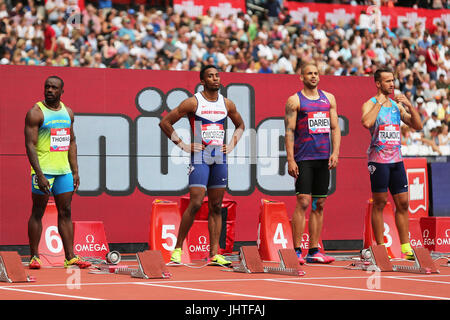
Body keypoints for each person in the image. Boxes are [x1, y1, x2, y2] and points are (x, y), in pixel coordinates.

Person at [159, 65, 245, 266]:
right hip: (200, 157)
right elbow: (165, 123)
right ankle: (178, 249)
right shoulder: (193, 102)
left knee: (216, 206)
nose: (215, 79)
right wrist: (183, 145)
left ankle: (214, 253)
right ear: (202, 81)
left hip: (219, 158)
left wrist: (231, 144)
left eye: (217, 75)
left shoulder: (227, 104)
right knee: (196, 202)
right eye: (210, 76)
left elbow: (241, 125)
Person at [24, 76, 91, 269]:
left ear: (62, 91)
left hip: (63, 172)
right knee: (38, 211)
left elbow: (71, 141)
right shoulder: (36, 113)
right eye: (47, 87)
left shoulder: (68, 112)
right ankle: (34, 256)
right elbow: (30, 145)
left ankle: (70, 257)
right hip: (43, 171)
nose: (49, 90)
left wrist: (75, 171)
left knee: (66, 211)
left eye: (54, 88)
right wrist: (39, 173)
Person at [361, 68, 423, 260]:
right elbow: (366, 122)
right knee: (379, 203)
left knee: (403, 203)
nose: (392, 84)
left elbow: (418, 126)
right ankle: (380, 248)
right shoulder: (369, 104)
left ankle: (406, 247)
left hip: (396, 160)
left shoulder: (397, 106)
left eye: (393, 80)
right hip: (378, 161)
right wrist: (379, 103)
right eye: (387, 81)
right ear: (378, 84)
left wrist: (410, 106)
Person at [284, 62, 341, 264]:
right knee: (303, 202)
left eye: (316, 73)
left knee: (319, 203)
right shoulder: (294, 100)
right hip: (304, 158)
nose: (314, 76)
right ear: (302, 77)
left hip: (323, 158)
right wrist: (290, 159)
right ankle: (297, 250)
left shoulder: (329, 99)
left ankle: (314, 250)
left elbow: (335, 128)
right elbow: (289, 132)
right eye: (309, 73)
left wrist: (335, 152)